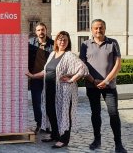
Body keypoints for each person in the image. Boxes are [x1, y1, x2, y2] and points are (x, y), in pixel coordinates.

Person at [27, 31, 88, 148]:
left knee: (64, 113)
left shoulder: (69, 55)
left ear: (68, 42)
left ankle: (64, 139)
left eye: (65, 39)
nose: (62, 42)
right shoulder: (52, 54)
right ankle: (54, 134)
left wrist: (72, 79)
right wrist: (33, 76)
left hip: (63, 91)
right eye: (60, 39)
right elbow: (46, 71)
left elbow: (83, 68)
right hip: (50, 89)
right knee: (51, 112)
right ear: (56, 41)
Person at [79, 19, 127, 153]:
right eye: (96, 28)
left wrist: (106, 81)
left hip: (109, 86)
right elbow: (82, 65)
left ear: (105, 28)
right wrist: (93, 80)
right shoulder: (85, 44)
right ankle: (97, 139)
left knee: (113, 113)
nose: (98, 30)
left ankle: (118, 144)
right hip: (91, 85)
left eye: (101, 28)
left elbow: (118, 65)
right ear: (91, 29)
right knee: (95, 113)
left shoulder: (113, 43)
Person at [27, 22, 54, 133]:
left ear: (46, 30)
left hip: (49, 78)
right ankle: (39, 123)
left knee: (49, 102)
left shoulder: (53, 44)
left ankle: (49, 125)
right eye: (38, 30)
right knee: (36, 102)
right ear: (35, 32)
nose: (41, 32)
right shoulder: (30, 43)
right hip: (35, 78)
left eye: (42, 29)